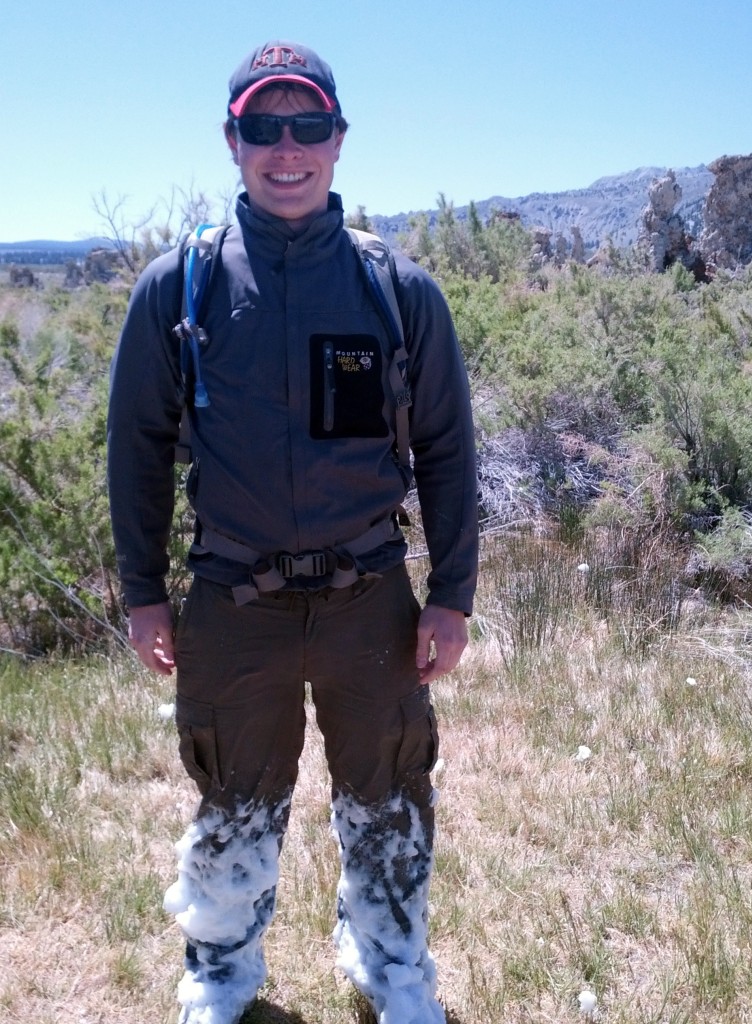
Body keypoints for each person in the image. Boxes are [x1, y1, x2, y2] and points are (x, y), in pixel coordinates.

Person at [107, 40, 478, 1024]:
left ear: (338, 141)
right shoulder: (175, 291)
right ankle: (221, 976)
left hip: (371, 599)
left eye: (306, 124)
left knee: (390, 794)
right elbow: (137, 454)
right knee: (233, 799)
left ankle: (391, 966)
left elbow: (446, 448)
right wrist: (144, 591)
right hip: (233, 602)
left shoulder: (395, 290)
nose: (286, 148)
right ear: (232, 141)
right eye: (263, 127)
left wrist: (451, 594)